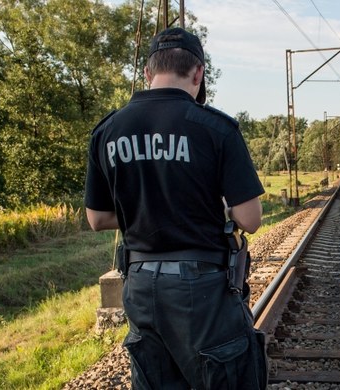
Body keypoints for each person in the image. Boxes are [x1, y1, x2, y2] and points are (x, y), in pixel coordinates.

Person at [84, 27, 267, 390]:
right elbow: (251, 219)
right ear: (198, 74)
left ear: (148, 73)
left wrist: (149, 207)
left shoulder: (107, 131)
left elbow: (98, 218)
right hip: (201, 291)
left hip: (140, 286)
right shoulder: (217, 128)